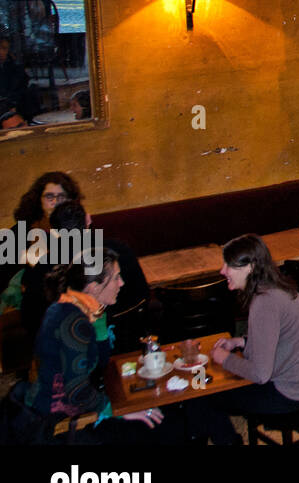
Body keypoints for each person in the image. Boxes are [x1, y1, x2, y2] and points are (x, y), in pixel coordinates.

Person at [9, 247, 180, 443]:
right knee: (165, 426)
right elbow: (77, 391)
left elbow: (101, 362)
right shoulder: (73, 322)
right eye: (116, 277)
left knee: (160, 415)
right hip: (60, 425)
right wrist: (117, 411)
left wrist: (99, 322)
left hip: (69, 409)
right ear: (93, 287)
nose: (121, 283)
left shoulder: (77, 308)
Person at [189, 234, 299, 445]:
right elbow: (277, 339)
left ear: (249, 267)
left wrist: (225, 359)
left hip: (288, 392)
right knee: (206, 393)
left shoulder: (264, 303)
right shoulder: (277, 288)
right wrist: (240, 342)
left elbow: (260, 374)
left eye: (228, 265)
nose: (222, 271)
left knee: (200, 395)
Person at [21, 198, 149, 343]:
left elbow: (30, 317)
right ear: (88, 220)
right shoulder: (119, 250)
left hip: (68, 346)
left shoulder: (42, 267)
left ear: (54, 232)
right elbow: (142, 296)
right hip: (125, 337)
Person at [3, 172, 84, 308]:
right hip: (30, 299)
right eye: (49, 196)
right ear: (38, 199)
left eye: (61, 197)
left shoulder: (74, 226)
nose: (55, 202)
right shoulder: (23, 230)